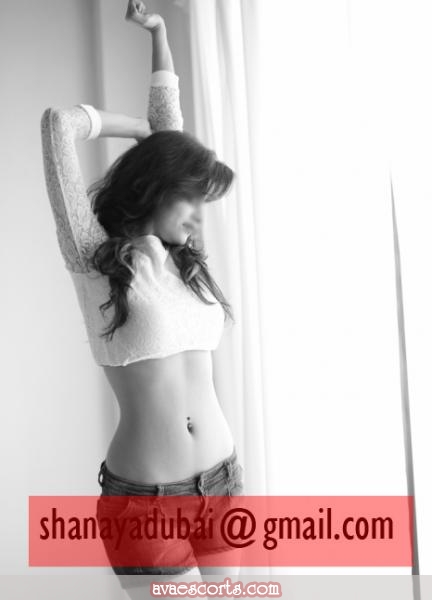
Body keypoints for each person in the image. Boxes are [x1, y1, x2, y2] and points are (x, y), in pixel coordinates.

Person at [40, 0, 244, 595]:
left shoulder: (184, 260)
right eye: (193, 198)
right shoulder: (94, 258)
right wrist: (136, 130)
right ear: (157, 188)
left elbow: (170, 131)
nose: (200, 216)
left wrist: (159, 35)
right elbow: (57, 128)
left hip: (221, 481)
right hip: (146, 503)